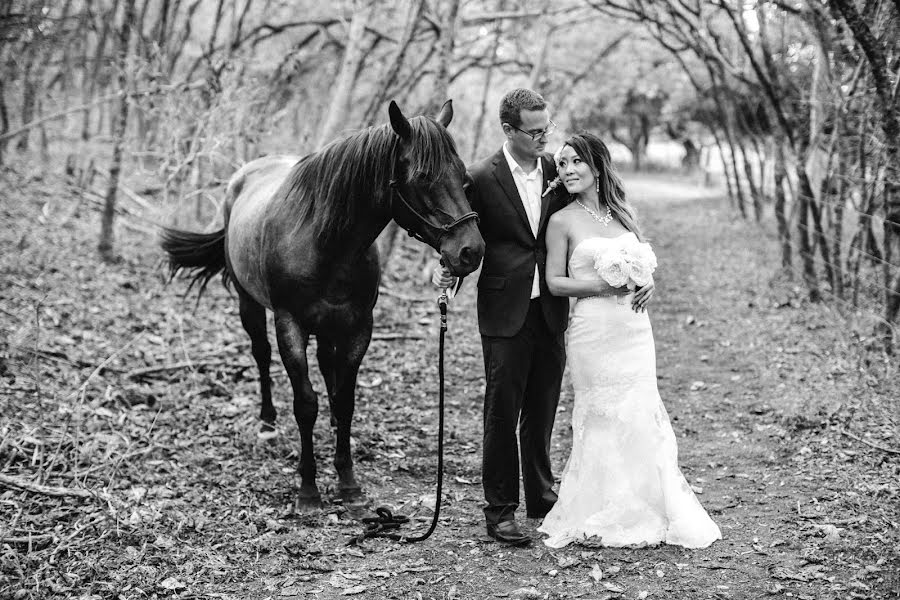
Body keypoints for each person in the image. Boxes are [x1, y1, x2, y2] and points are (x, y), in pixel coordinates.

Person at [536, 132, 721, 549]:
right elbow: (554, 282)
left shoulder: (623, 216)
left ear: (597, 166)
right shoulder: (561, 220)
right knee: (600, 412)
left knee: (639, 408)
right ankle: (601, 504)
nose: (567, 170)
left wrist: (647, 282)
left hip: (634, 329)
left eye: (575, 162)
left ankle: (648, 502)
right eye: (562, 164)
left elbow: (640, 267)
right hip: (591, 328)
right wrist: (605, 287)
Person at [433, 89, 571, 545]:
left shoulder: (557, 171)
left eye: (546, 129)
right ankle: (500, 510)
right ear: (508, 131)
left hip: (550, 307)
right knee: (502, 412)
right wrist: (447, 276)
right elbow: (460, 237)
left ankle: (541, 494)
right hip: (504, 311)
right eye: (534, 132)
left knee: (543, 407)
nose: (543, 139)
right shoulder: (480, 178)